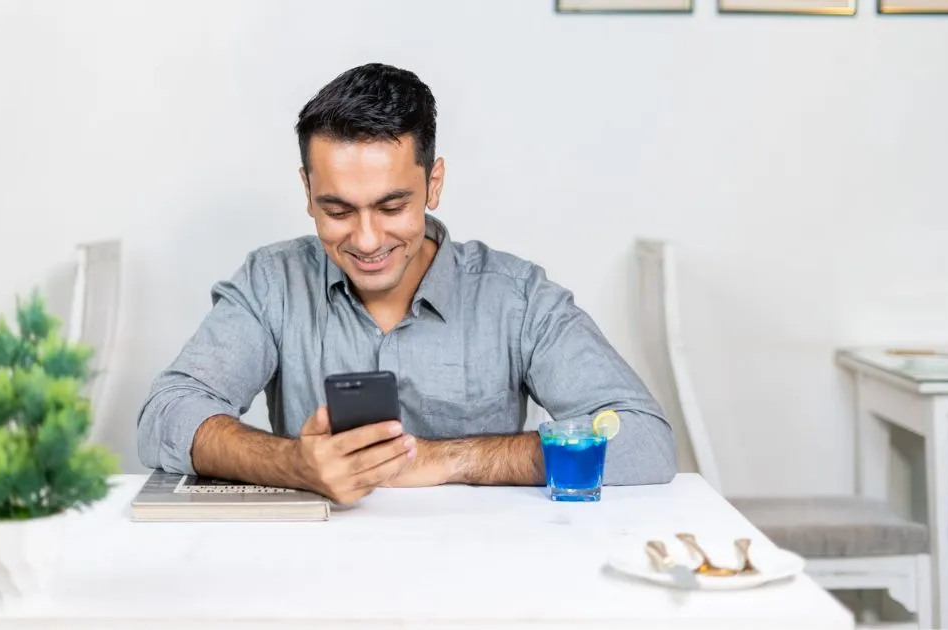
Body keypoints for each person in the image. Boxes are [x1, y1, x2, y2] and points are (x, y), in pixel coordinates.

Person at [137, 62, 676, 505]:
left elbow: (644, 439)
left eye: (392, 206)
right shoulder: (270, 283)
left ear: (433, 183)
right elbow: (167, 412)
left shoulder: (516, 297)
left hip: (484, 577)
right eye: (338, 210)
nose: (367, 240)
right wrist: (293, 464)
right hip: (312, 580)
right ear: (306, 190)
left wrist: (450, 458)